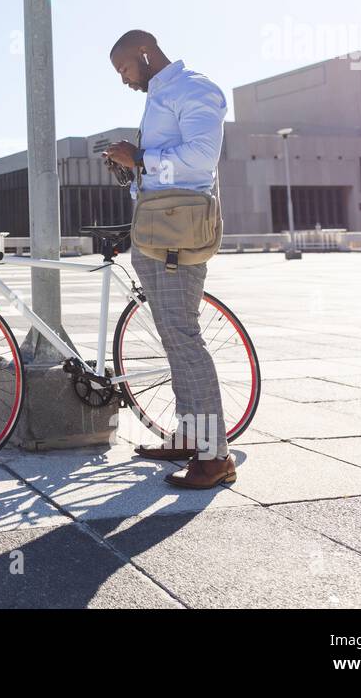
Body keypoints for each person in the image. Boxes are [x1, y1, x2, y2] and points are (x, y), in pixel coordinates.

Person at [102, 29, 235, 489]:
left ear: (145, 53)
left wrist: (141, 156)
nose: (124, 80)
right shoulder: (161, 94)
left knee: (182, 336)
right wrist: (132, 166)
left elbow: (201, 159)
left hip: (179, 229)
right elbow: (163, 165)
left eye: (124, 69)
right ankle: (189, 436)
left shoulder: (194, 88)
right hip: (157, 227)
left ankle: (214, 457)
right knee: (173, 338)